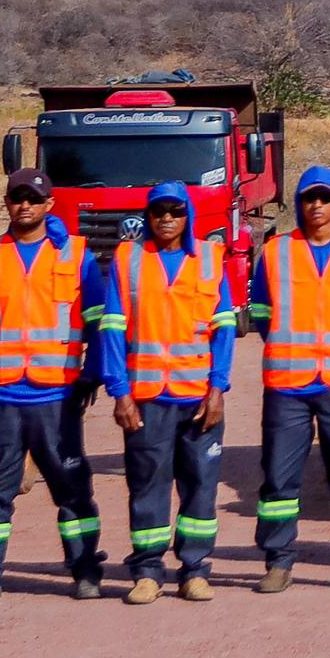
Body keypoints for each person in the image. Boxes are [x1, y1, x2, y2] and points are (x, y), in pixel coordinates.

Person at [0, 171, 105, 602]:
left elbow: (100, 320)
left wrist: (95, 371)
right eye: (17, 198)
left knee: (72, 489)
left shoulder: (76, 254)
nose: (25, 206)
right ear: (7, 203)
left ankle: (86, 569)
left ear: (49, 204)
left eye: (34, 199)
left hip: (56, 396)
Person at [243, 164, 330, 589]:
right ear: (300, 203)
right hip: (288, 385)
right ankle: (279, 561)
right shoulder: (274, 252)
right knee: (279, 477)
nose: (317, 206)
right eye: (309, 198)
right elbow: (264, 314)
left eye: (325, 198)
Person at [100, 181, 238, 604]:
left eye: (175, 211)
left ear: (187, 216)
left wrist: (218, 389)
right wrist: (119, 392)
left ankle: (195, 570)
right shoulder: (129, 259)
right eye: (158, 211)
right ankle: (147, 572)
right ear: (148, 215)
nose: (166, 218)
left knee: (201, 486)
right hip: (146, 398)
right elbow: (112, 327)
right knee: (147, 485)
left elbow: (225, 330)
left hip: (198, 399)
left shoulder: (211, 260)